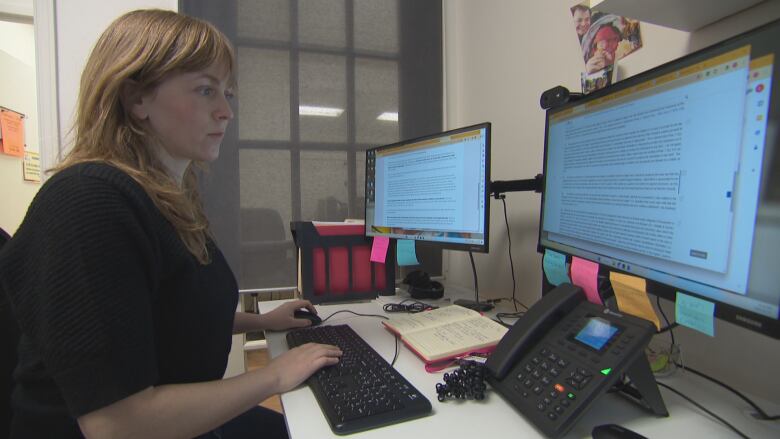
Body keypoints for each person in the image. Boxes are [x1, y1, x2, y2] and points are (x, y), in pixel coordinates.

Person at [0, 9, 342, 439]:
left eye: (226, 93)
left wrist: (263, 321)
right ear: (135, 98)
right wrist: (273, 377)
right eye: (205, 90)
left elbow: (162, 311)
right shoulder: (88, 203)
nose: (225, 112)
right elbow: (114, 423)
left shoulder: (164, 199)